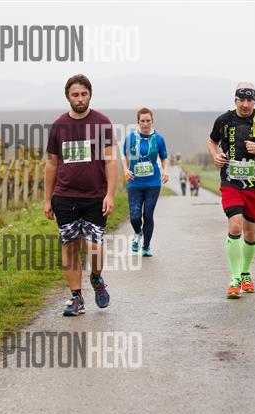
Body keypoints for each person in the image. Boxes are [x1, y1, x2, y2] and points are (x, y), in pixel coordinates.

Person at [44, 74, 117, 316]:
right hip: (64, 197)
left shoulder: (102, 122)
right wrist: (47, 199)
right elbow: (51, 164)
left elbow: (111, 161)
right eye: (75, 95)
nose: (80, 99)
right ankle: (76, 298)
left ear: (90, 95)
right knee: (70, 246)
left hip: (95, 196)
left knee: (94, 247)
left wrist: (110, 195)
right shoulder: (59, 126)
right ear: (68, 97)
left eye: (84, 94)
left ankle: (96, 278)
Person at [207, 82, 255, 299]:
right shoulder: (224, 120)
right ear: (235, 100)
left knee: (250, 234)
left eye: (249, 100)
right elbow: (212, 142)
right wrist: (216, 155)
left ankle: (246, 272)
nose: (245, 104)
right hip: (231, 182)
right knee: (235, 225)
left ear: (254, 101)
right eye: (242, 100)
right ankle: (235, 279)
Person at [122, 108, 169, 257]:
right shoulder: (130, 138)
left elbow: (164, 157)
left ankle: (146, 247)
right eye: (142, 121)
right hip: (134, 182)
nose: (145, 124)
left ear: (152, 121)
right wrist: (125, 170)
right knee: (135, 217)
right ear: (138, 121)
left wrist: (165, 171)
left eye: (148, 120)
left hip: (153, 182)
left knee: (148, 215)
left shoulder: (159, 139)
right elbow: (124, 156)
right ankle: (138, 233)